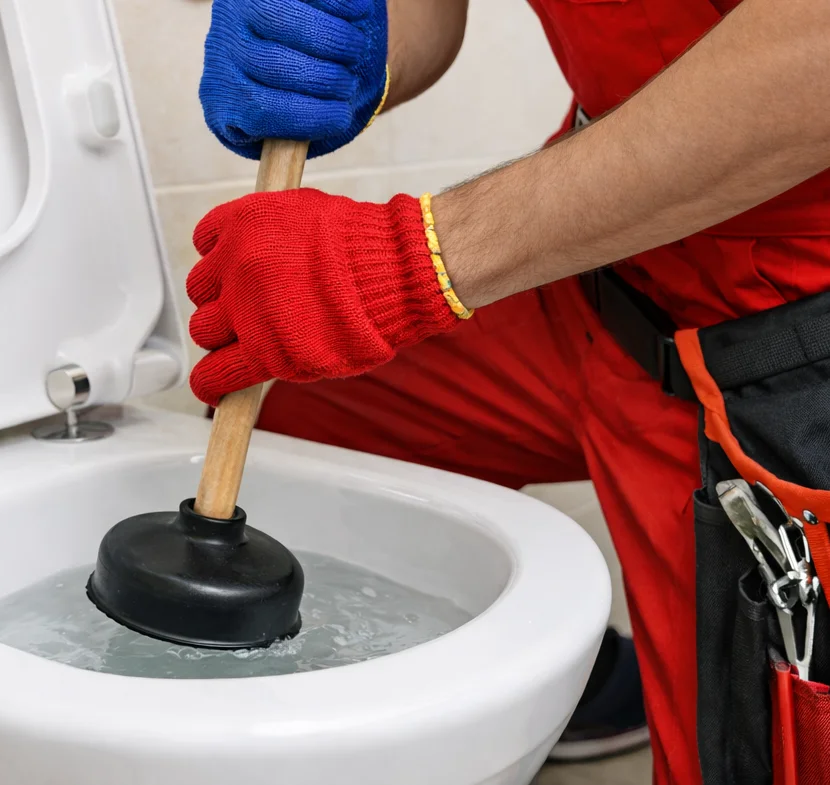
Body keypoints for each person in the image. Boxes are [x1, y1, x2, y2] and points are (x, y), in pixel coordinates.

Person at [189, 1, 830, 783]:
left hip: (788, 339)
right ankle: (574, 685)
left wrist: (422, 258)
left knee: (748, 751)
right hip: (605, 270)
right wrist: (349, 52)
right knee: (296, 412)